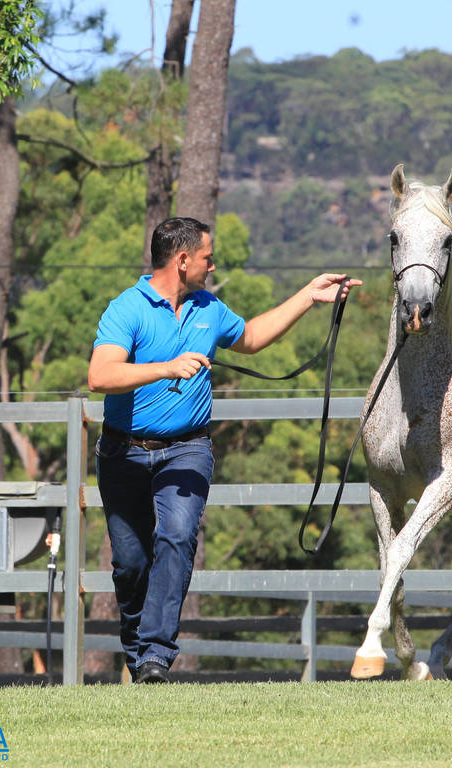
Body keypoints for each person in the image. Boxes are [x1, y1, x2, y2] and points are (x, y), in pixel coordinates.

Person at [88, 216, 361, 683]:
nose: (213, 265)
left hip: (187, 451)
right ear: (182, 260)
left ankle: (154, 654)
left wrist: (308, 297)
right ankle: (137, 649)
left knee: (176, 536)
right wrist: (164, 368)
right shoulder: (126, 309)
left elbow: (251, 337)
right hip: (123, 453)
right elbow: (100, 377)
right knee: (129, 565)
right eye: (207, 257)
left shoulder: (208, 308)